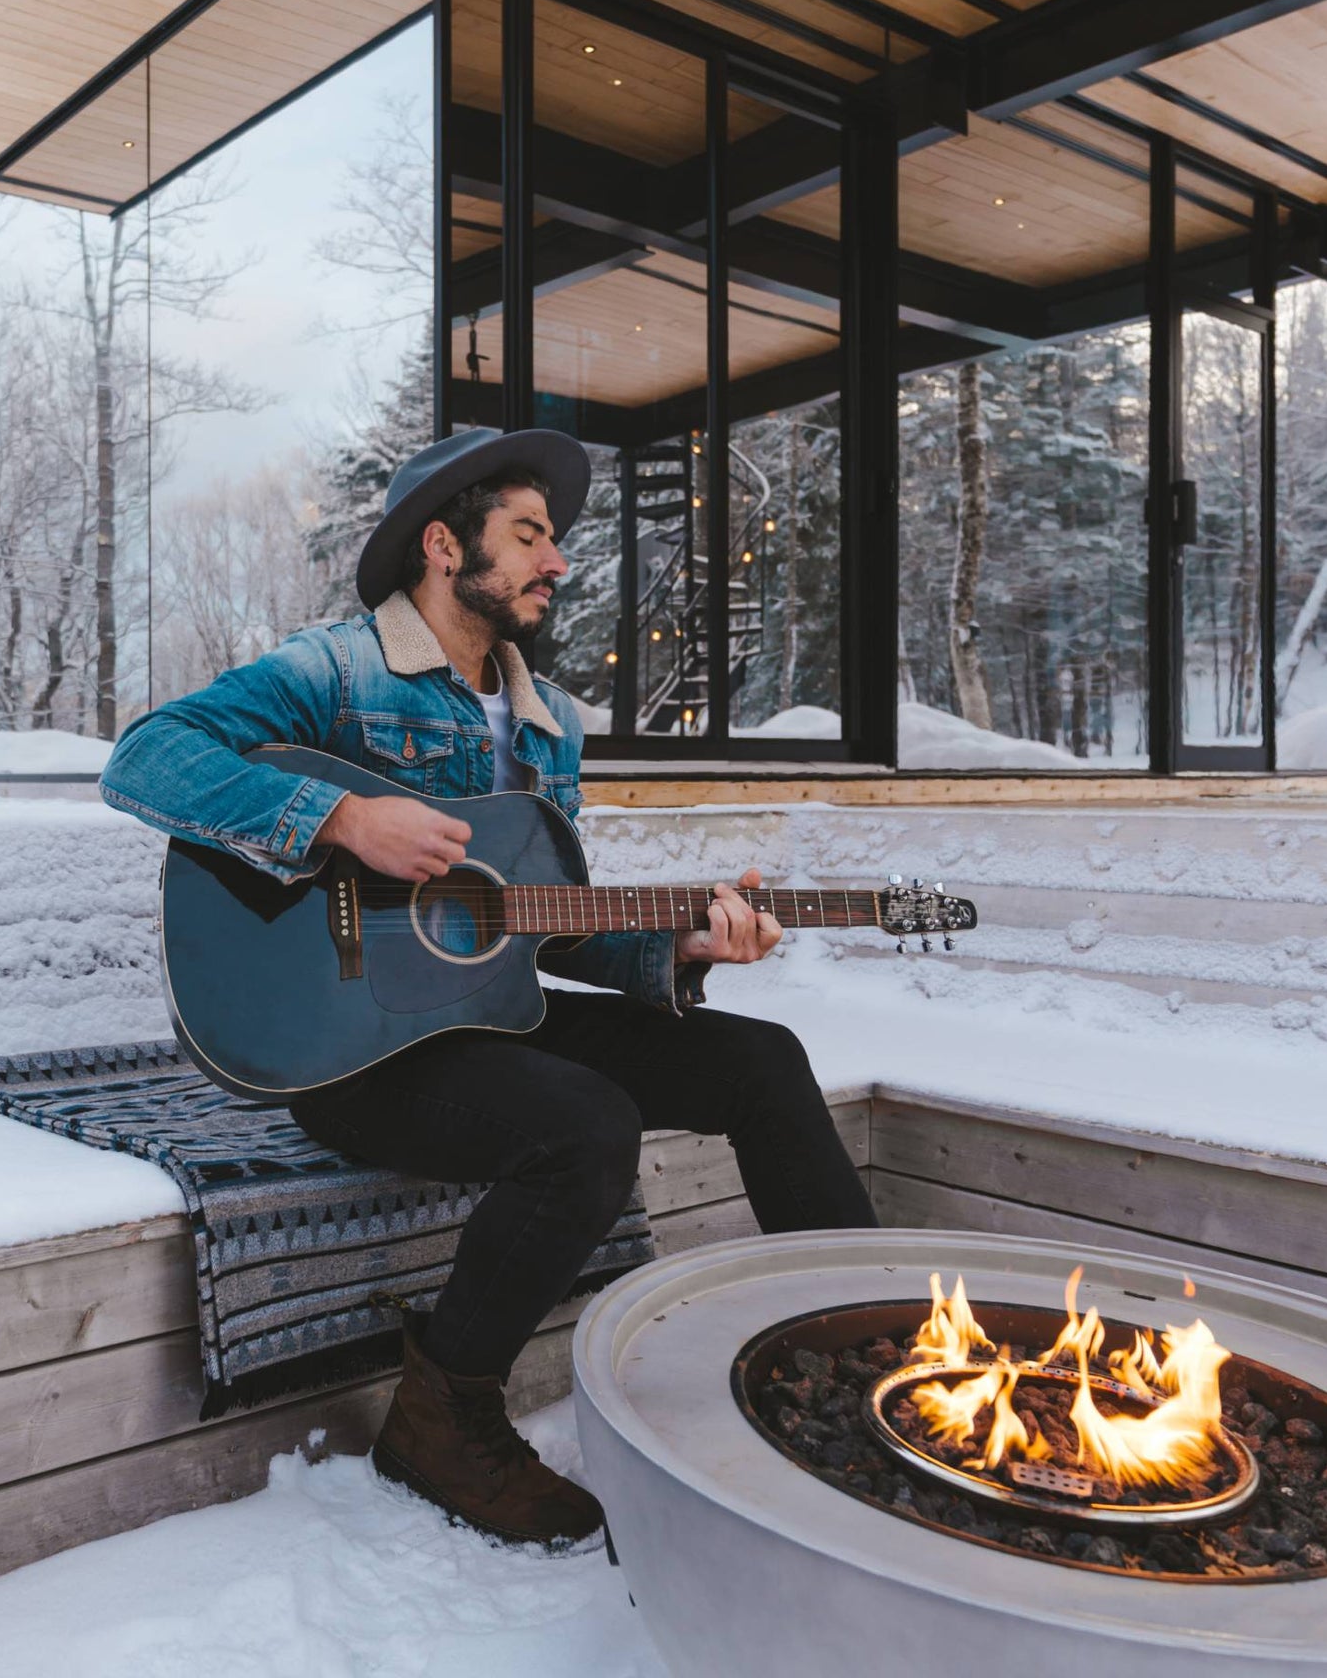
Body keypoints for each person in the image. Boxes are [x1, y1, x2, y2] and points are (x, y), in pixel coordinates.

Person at [101, 425, 876, 1550]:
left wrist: (684, 948)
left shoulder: (548, 721)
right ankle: (441, 1412)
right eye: (527, 535)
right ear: (439, 543)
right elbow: (146, 756)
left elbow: (536, 928)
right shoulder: (336, 667)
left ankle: (865, 1350)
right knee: (583, 1123)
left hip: (486, 1017)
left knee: (760, 1059)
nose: (554, 561)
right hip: (344, 1043)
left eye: (552, 540)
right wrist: (343, 817)